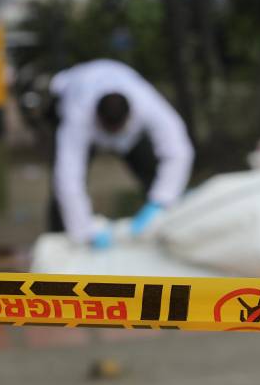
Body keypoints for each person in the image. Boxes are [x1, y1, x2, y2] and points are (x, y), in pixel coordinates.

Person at [48, 60, 194, 248]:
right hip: (75, 93)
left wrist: (161, 200)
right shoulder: (78, 115)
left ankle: (164, 222)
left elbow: (178, 151)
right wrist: (82, 231)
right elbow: (68, 176)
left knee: (152, 173)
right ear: (97, 119)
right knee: (59, 192)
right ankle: (61, 238)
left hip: (130, 131)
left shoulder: (146, 103)